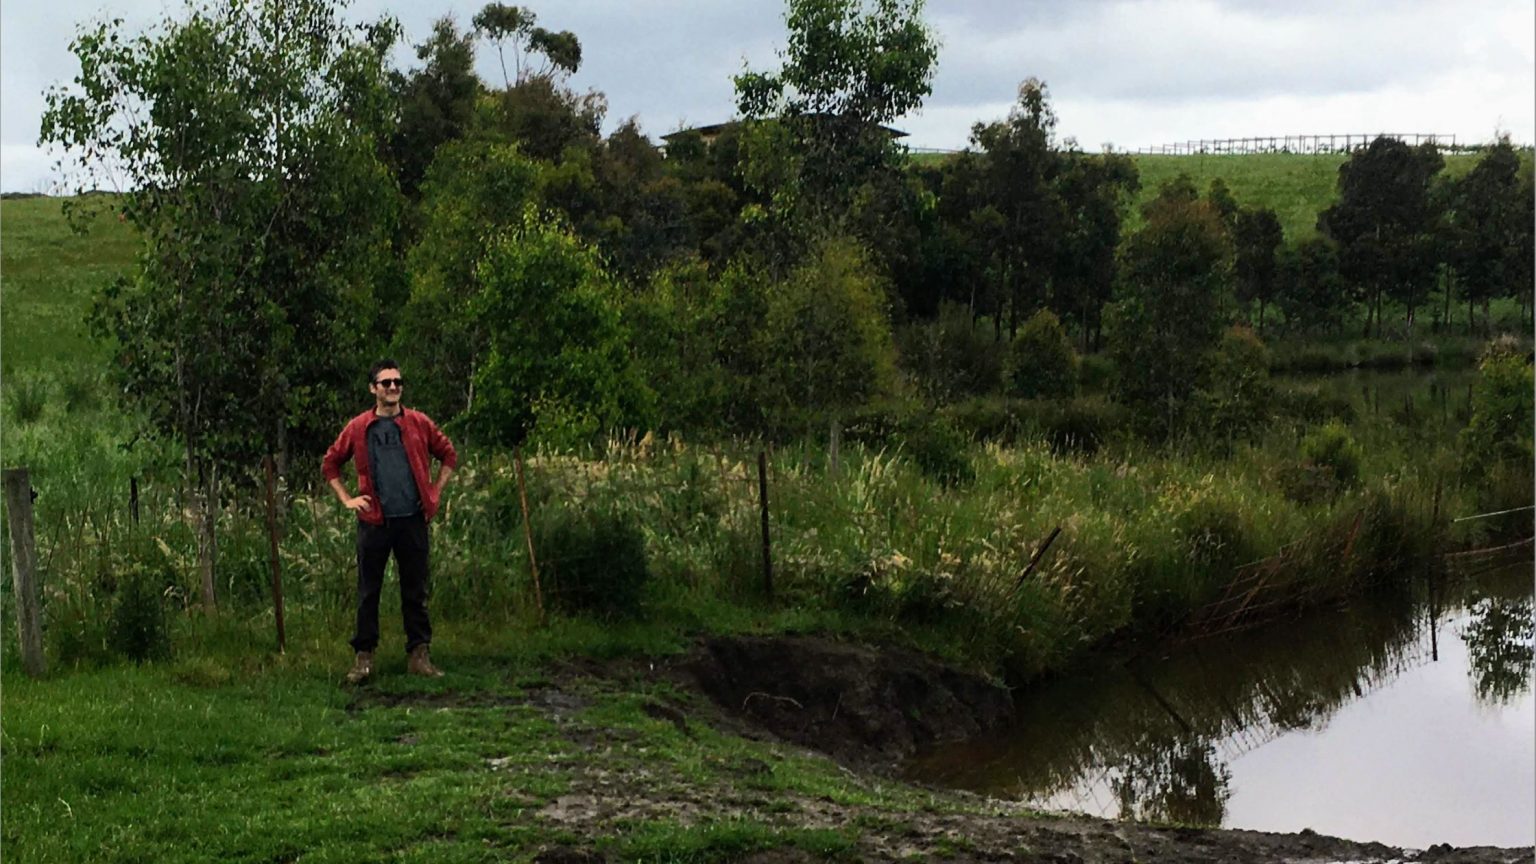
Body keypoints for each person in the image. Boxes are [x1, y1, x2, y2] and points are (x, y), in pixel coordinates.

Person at [322, 359, 458, 684]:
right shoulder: (358, 428)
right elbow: (331, 464)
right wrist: (347, 499)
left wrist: (434, 493)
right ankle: (364, 658)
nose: (393, 387)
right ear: (373, 389)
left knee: (415, 589)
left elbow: (448, 454)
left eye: (398, 382)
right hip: (374, 521)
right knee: (369, 591)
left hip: (412, 518)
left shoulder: (418, 423)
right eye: (386, 383)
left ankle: (419, 655)